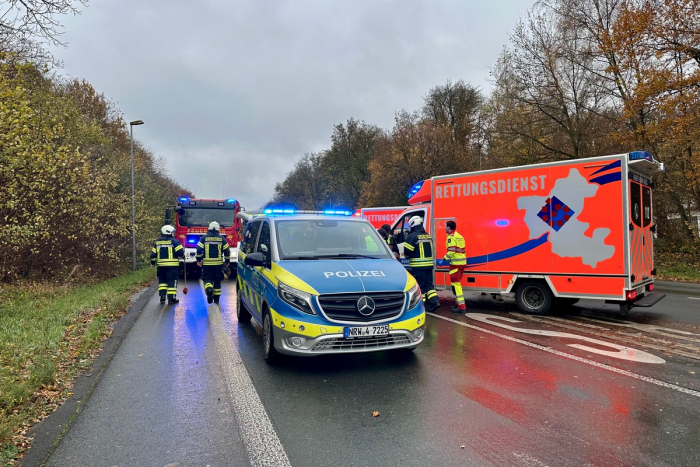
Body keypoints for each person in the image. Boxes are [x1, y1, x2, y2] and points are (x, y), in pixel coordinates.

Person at [403, 216, 440, 312]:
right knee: (429, 285)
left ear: (413, 224)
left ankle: (422, 306)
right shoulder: (428, 235)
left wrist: (407, 256)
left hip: (418, 266)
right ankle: (435, 302)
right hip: (429, 265)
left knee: (421, 286)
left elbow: (407, 252)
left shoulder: (412, 236)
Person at [196, 221, 230, 304]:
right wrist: (227, 261)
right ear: (218, 229)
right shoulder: (222, 239)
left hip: (207, 265)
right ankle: (217, 300)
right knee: (217, 281)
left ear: (209, 228)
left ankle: (209, 290)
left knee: (207, 279)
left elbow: (199, 249)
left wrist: (199, 260)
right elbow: (227, 251)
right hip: (218, 265)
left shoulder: (203, 238)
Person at [150, 225, 184, 304]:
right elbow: (180, 253)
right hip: (172, 267)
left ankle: (162, 296)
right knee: (172, 281)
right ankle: (171, 299)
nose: (173, 233)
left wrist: (152, 263)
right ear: (168, 232)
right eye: (172, 232)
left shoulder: (157, 242)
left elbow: (153, 255)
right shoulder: (175, 242)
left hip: (161, 267)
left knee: (162, 281)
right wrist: (183, 256)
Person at [444, 220, 467, 313]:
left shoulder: (451, 237)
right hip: (462, 263)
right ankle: (458, 304)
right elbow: (462, 251)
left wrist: (444, 259)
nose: (444, 228)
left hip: (455, 264)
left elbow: (451, 252)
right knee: (455, 284)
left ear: (449, 227)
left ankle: (462, 307)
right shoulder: (460, 236)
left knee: (456, 284)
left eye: (445, 226)